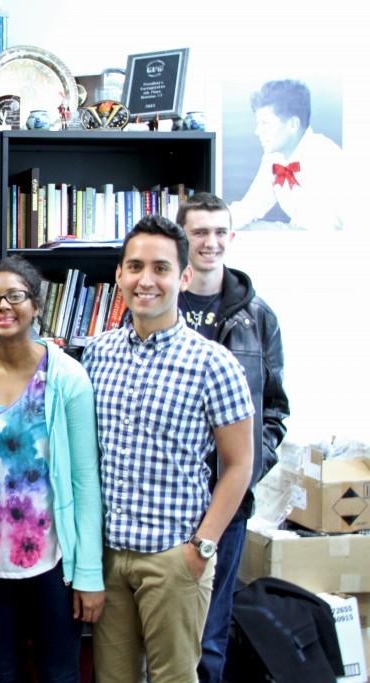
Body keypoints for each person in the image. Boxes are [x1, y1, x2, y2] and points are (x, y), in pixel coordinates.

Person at [83, 216, 255, 683]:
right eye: (134, 266)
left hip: (174, 555)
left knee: (174, 678)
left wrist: (201, 547)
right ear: (118, 275)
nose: (146, 280)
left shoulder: (213, 363)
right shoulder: (97, 354)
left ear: (182, 277)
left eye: (161, 268)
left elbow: (240, 464)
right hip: (108, 558)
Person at [0, 257, 104, 683]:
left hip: (54, 564)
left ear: (36, 305)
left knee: (59, 674)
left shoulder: (68, 377)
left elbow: (85, 480)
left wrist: (89, 572)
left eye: (15, 296)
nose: (3, 306)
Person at [176, 193, 289, 683]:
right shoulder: (158, 302)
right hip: (165, 499)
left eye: (220, 232)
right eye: (200, 232)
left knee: (210, 638)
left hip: (229, 506)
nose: (211, 242)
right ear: (182, 239)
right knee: (158, 634)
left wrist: (244, 472)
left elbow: (276, 409)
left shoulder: (257, 317)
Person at [229, 79, 345, 231]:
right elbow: (251, 205)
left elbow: (321, 230)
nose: (257, 132)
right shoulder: (274, 158)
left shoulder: (324, 157)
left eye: (265, 123)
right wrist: (213, 222)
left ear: (292, 125)